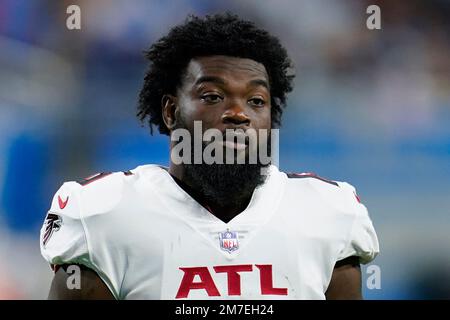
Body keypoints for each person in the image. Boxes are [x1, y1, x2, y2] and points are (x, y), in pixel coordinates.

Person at [40, 13, 379, 300]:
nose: (238, 113)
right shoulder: (103, 216)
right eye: (214, 96)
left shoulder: (329, 213)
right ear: (171, 111)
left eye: (256, 100)